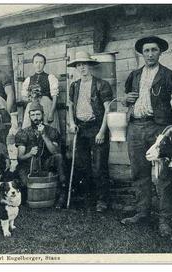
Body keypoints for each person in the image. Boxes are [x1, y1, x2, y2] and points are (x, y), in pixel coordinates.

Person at [120, 36, 172, 237]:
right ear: (142, 53)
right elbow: (127, 101)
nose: (150, 54)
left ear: (160, 52)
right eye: (146, 50)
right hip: (135, 128)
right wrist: (125, 100)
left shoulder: (169, 76)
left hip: (159, 129)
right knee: (139, 173)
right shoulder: (134, 76)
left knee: (163, 175)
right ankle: (142, 213)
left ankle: (165, 219)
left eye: (154, 50)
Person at [67, 51, 113, 212]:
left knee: (99, 166)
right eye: (78, 65)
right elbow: (70, 107)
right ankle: (89, 198)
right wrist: (72, 123)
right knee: (83, 165)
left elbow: (108, 110)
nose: (81, 67)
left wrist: (101, 132)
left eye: (84, 64)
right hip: (81, 129)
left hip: (97, 128)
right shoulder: (74, 86)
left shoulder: (102, 85)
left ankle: (103, 200)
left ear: (90, 66)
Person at [15, 102, 66, 208]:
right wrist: (29, 154)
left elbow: (55, 151)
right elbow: (20, 157)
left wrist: (44, 135)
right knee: (26, 187)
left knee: (59, 158)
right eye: (32, 115)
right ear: (29, 116)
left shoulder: (51, 131)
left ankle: (62, 194)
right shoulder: (23, 133)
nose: (35, 118)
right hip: (28, 165)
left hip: (46, 163)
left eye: (38, 114)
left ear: (43, 115)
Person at [21, 53, 61, 133]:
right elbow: (24, 96)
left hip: (46, 106)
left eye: (41, 62)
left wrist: (51, 113)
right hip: (32, 107)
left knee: (47, 131)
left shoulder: (50, 77)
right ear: (33, 64)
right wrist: (30, 98)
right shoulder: (29, 79)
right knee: (30, 131)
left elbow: (54, 97)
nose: (38, 65)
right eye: (36, 62)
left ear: (44, 64)